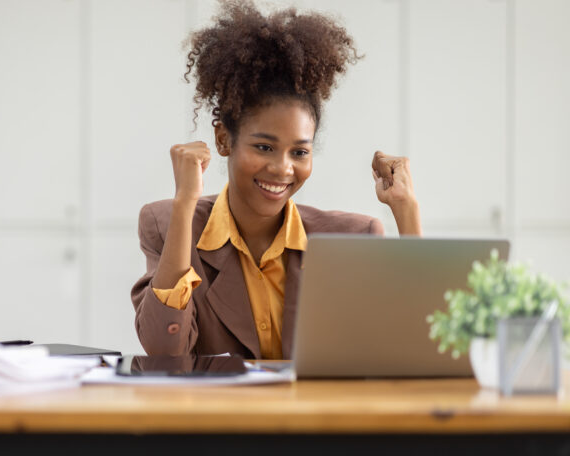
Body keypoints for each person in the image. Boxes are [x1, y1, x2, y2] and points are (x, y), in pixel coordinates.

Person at [131, 0, 421, 359]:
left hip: (315, 416)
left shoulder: (351, 239)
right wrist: (184, 202)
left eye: (299, 152)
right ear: (223, 139)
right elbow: (164, 351)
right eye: (264, 147)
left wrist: (406, 212)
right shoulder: (169, 226)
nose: (283, 169)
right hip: (219, 416)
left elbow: (417, 346)